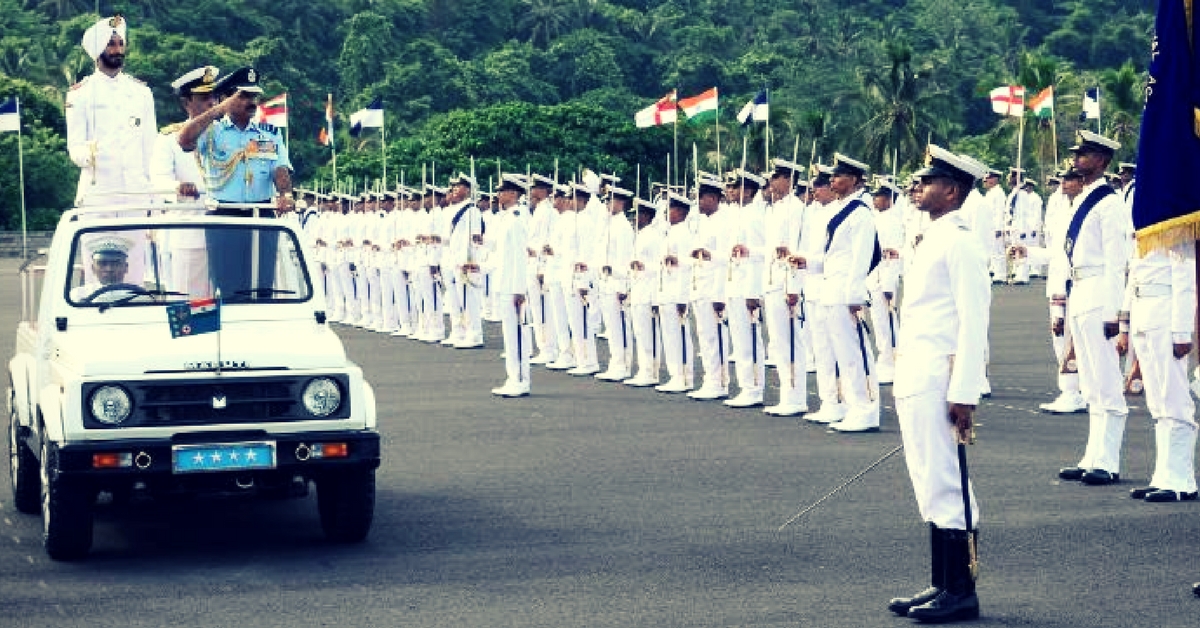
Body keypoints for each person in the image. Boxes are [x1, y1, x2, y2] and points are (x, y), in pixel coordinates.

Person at [887, 144, 989, 623]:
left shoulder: (960, 241)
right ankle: (941, 582)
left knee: (947, 479)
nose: (917, 187)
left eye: (927, 182)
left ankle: (962, 591)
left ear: (951, 191)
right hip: (916, 370)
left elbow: (974, 320)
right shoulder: (930, 236)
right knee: (927, 478)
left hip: (939, 376)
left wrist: (965, 391)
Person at [1055, 130, 1132, 487]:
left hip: (1101, 290)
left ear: (1102, 160)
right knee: (1089, 381)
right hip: (1081, 290)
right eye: (1077, 153)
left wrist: (1114, 313)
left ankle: (1108, 460)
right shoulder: (1086, 198)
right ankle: (1092, 455)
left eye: (1084, 154)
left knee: (1106, 381)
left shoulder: (1111, 203)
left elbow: (1118, 263)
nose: (1076, 159)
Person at [177, 67, 294, 298]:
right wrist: (218, 110)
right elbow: (184, 140)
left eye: (254, 96)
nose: (251, 101)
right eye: (243, 96)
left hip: (261, 215)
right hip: (224, 216)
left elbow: (280, 168)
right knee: (228, 286)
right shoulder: (211, 131)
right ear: (226, 97)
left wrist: (285, 194)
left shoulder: (269, 134)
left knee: (261, 287)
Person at [1118, 238, 1197, 502]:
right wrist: (1126, 319)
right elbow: (1133, 272)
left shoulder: (1174, 221)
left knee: (1174, 398)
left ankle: (1181, 480)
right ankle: (1163, 475)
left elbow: (1184, 275)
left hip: (1166, 311)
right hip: (1144, 309)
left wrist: (1182, 330)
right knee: (1158, 402)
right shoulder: (1145, 219)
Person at [812, 153, 881, 432]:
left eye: (838, 176)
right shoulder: (841, 209)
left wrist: (855, 297)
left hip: (845, 294)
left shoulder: (860, 213)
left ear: (853, 180)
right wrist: (806, 261)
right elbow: (833, 256)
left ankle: (867, 410)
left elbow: (862, 257)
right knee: (842, 354)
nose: (832, 180)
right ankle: (854, 407)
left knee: (856, 353)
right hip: (831, 290)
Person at [66, 15, 158, 208]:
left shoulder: (142, 93)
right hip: (98, 192)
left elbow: (150, 149)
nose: (117, 50)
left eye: (120, 44)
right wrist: (87, 155)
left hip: (137, 193)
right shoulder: (80, 94)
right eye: (111, 44)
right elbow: (74, 146)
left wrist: (155, 194)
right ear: (98, 50)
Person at [151, 66, 220, 298]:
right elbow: (158, 179)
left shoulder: (228, 133)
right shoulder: (169, 138)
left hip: (228, 228)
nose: (212, 102)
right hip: (189, 229)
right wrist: (178, 188)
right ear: (186, 102)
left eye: (214, 96)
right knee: (190, 306)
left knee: (234, 304)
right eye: (204, 97)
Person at [761, 160, 808, 415]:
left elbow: (796, 249)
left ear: (789, 179)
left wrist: (793, 287)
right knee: (779, 343)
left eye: (776, 176)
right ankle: (787, 395)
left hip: (785, 282)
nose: (772, 181)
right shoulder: (775, 208)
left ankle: (795, 397)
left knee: (790, 341)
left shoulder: (796, 209)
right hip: (771, 281)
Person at [687, 176, 732, 401]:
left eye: (701, 198)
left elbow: (728, 259)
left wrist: (719, 293)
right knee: (705, 337)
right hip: (699, 285)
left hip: (713, 285)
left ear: (713, 198)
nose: (698, 203)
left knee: (715, 337)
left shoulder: (724, 222)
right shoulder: (703, 222)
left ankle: (719, 381)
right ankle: (710, 379)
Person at [491, 175, 533, 397]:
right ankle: (513, 377)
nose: (499, 195)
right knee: (510, 334)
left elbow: (519, 256)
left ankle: (519, 380)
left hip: (513, 285)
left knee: (517, 333)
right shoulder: (506, 217)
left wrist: (520, 289)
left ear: (514, 193)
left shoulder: (518, 218)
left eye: (503, 191)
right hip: (504, 282)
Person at [655, 192, 697, 393]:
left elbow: (690, 264)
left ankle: (684, 376)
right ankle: (675, 375)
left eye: (669, 209)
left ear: (680, 211)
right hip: (666, 291)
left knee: (679, 335)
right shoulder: (670, 232)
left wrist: (682, 297)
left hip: (676, 291)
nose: (666, 212)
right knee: (670, 336)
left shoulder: (683, 233)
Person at [595, 186, 637, 382]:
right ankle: (615, 362)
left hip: (617, 282)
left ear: (620, 202)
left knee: (620, 326)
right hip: (606, 282)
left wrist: (623, 285)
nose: (606, 205)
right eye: (605, 201)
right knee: (611, 327)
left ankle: (623, 365)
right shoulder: (609, 224)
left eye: (609, 201)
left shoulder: (623, 227)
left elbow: (626, 259)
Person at [625, 199, 665, 387]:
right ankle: (644, 369)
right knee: (640, 333)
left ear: (647, 216)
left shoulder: (654, 236)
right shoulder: (639, 235)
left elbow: (661, 265)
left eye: (638, 215)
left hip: (649, 289)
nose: (634, 218)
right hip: (638, 289)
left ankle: (651, 372)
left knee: (649, 334)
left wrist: (643, 266)